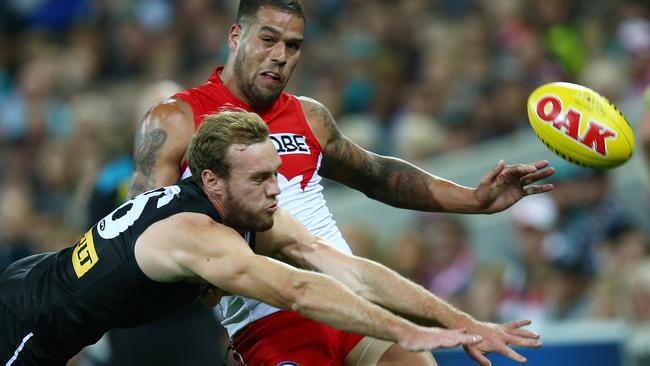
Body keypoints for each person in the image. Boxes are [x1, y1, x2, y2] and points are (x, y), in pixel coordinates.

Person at [129, 1, 553, 365]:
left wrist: (475, 199)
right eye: (268, 39)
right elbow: (144, 238)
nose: (280, 55)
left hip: (353, 305)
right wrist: (208, 280)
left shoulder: (310, 116)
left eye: (293, 46)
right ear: (236, 35)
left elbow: (378, 176)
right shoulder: (175, 120)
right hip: (268, 319)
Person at [0, 111, 482, 366]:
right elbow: (297, 289)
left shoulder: (242, 208)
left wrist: (454, 318)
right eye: (259, 180)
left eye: (276, 173)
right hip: (24, 324)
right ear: (211, 181)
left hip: (38, 277)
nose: (277, 190)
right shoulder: (196, 233)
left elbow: (341, 266)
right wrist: (401, 329)